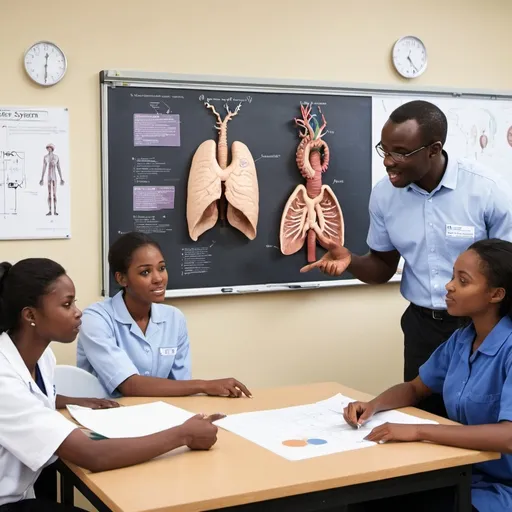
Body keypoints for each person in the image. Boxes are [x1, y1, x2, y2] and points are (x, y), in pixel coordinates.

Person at [302, 100, 512, 417]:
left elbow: (508, 272)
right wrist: (352, 261)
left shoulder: (487, 191)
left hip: (486, 329)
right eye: (384, 149)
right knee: (423, 416)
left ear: (433, 149)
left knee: (480, 418)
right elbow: (382, 267)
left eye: (400, 152)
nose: (388, 161)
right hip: (423, 327)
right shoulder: (385, 195)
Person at [0, 258, 224, 512]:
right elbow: (93, 456)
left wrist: (73, 401)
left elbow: (34, 395)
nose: (77, 311)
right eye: (66, 304)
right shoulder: (4, 378)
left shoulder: (40, 357)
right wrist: (183, 434)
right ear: (30, 315)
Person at [343, 239, 512, 512]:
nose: (449, 285)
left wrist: (419, 431)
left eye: (463, 281)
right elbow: (414, 388)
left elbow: (508, 437)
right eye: (452, 276)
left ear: (496, 294)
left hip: (501, 488)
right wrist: (374, 406)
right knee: (366, 498)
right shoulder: (462, 339)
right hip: (463, 471)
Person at [77, 231, 251, 398]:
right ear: (122, 279)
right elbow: (128, 385)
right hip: (104, 417)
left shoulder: (174, 319)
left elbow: (181, 385)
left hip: (158, 415)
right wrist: (204, 385)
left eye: (161, 268)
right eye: (145, 272)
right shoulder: (96, 319)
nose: (158, 278)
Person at [39, 143, 64, 217]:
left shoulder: (56, 157)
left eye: (50, 147)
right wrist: (42, 178)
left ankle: (55, 210)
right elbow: (44, 168)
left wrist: (61, 178)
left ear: (52, 148)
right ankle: (50, 210)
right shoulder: (45, 157)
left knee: (54, 194)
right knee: (49, 194)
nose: (48, 149)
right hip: (49, 177)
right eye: (48, 148)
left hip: (54, 178)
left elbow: (59, 167)